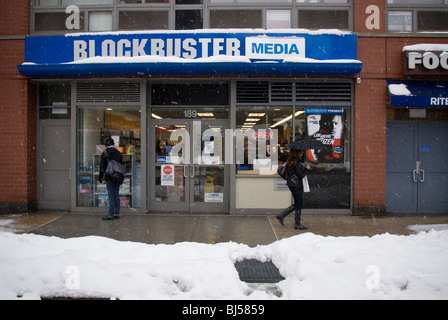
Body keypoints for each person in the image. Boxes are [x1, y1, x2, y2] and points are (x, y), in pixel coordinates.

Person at [276, 149, 309, 230]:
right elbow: (300, 176)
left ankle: (282, 216)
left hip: (292, 184)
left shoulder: (290, 162)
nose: (302, 154)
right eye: (301, 153)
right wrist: (306, 168)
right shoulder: (296, 163)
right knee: (299, 203)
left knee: (298, 203)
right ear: (297, 153)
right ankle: (296, 223)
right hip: (296, 185)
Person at [99, 137, 123, 221]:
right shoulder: (118, 153)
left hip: (109, 176)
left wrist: (101, 177)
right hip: (117, 176)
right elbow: (120, 165)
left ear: (106, 144)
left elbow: (102, 166)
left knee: (111, 195)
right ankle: (117, 212)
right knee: (116, 195)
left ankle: (110, 214)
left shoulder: (105, 153)